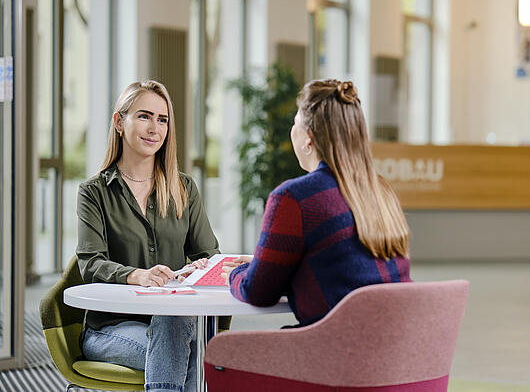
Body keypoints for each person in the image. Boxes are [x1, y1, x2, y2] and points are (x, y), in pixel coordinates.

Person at [222, 79, 412, 327]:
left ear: (308, 138)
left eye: (295, 123)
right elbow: (348, 266)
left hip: (333, 355)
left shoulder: (294, 198)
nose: (292, 131)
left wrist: (236, 274)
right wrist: (265, 264)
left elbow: (257, 292)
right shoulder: (381, 190)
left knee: (223, 358)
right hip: (397, 351)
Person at [76, 80, 219, 392]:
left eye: (162, 119)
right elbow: (90, 263)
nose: (155, 128)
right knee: (196, 359)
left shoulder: (184, 189)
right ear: (119, 122)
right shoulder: (94, 192)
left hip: (174, 325)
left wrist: (199, 270)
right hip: (111, 328)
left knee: (174, 319)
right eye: (144, 116)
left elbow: (209, 256)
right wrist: (136, 276)